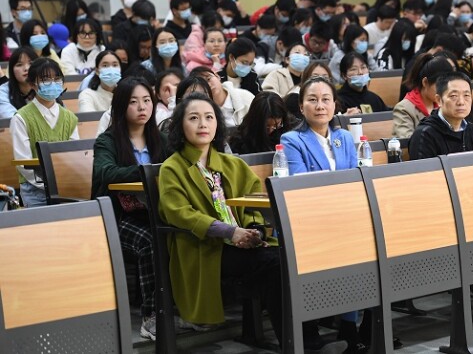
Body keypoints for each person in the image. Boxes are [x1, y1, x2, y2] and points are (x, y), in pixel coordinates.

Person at [157, 94, 294, 346]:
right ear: (180, 126)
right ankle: (297, 343)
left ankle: (302, 340)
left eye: (209, 117)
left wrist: (255, 231)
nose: (203, 124)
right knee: (276, 265)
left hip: (242, 243)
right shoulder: (172, 168)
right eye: (194, 118)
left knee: (289, 260)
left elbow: (253, 204)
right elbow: (179, 213)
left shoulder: (233, 164)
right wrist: (231, 232)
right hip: (204, 248)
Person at [280, 76, 362, 352]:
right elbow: (302, 184)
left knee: (363, 245)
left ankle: (351, 327)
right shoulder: (292, 139)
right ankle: (323, 326)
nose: (320, 106)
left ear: (335, 105)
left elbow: (355, 178)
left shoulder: (344, 138)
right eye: (312, 100)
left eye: (326, 99)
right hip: (309, 220)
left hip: (344, 217)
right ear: (301, 106)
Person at [92, 76, 170, 340]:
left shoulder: (161, 139)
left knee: (182, 234)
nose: (142, 107)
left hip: (155, 211)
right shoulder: (107, 141)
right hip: (117, 215)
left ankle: (181, 310)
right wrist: (148, 172)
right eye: (134, 102)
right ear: (121, 106)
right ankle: (151, 317)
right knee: (150, 241)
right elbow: (106, 173)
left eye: (147, 100)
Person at [11, 58, 79, 207]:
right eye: (46, 79)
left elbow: (74, 157)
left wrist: (64, 183)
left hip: (66, 187)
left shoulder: (70, 118)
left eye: (57, 78)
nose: (53, 83)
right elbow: (23, 163)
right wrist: (50, 185)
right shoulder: (21, 118)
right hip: (35, 190)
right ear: (32, 84)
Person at [408, 72, 473, 160]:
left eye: (466, 95)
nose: (461, 102)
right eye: (454, 96)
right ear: (439, 100)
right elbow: (423, 168)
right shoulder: (425, 135)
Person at [393, 54, 453, 138]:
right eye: (439, 86)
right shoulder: (404, 109)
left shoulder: (444, 105)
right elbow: (408, 141)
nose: (443, 91)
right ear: (425, 82)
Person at [0, 47, 37, 118]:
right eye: (19, 65)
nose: (26, 68)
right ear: (12, 70)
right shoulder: (3, 91)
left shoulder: (45, 87)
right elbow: (11, 117)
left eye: (31, 63)